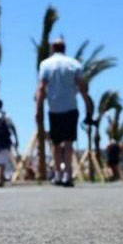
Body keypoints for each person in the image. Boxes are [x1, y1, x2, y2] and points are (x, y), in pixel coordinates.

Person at [35, 37, 95, 187]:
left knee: (55, 144)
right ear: (64, 48)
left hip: (54, 108)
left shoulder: (45, 64)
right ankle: (67, 174)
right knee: (69, 143)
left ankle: (58, 174)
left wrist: (38, 108)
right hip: (71, 107)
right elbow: (82, 87)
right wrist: (88, 104)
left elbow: (41, 87)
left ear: (52, 48)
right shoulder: (74, 64)